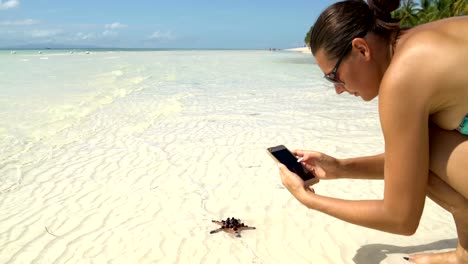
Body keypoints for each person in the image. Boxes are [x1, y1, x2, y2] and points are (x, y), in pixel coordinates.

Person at [277, 0, 468, 263]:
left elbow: (400, 218)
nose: (338, 89)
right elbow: (411, 163)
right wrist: (341, 168)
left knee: (425, 142)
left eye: (334, 76)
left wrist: (308, 200)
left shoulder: (403, 78)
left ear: (361, 49)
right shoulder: (421, 39)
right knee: (419, 146)